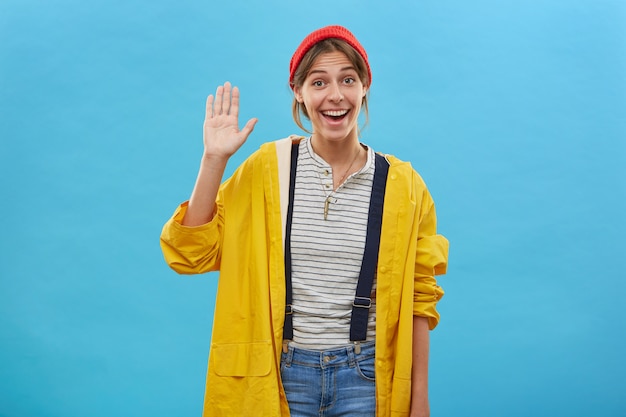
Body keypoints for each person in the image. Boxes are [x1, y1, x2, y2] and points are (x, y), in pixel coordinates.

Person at [160, 25, 449, 417]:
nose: (335, 95)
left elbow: (420, 299)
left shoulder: (403, 185)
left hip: (367, 379)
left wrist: (419, 402)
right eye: (319, 82)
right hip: (279, 375)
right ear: (298, 91)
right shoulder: (267, 170)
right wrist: (214, 160)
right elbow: (189, 253)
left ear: (365, 86)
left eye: (348, 79)